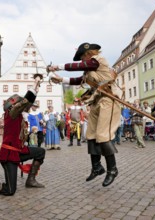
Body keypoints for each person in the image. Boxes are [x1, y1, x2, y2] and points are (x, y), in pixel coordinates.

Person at [48, 42, 120, 187]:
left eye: (82, 58)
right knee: (91, 135)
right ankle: (97, 167)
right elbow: (78, 80)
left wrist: (58, 66)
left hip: (109, 99)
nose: (81, 61)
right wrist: (61, 79)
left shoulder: (98, 60)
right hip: (96, 100)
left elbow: (81, 66)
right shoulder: (89, 69)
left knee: (103, 135)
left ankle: (112, 169)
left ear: (88, 54)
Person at [0, 75, 45, 197]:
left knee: (40, 152)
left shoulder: (19, 114)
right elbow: (26, 100)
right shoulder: (12, 113)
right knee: (10, 190)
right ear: (14, 106)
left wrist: (37, 86)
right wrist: (35, 81)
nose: (23, 106)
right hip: (9, 155)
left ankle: (30, 180)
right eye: (20, 103)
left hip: (19, 150)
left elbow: (28, 102)